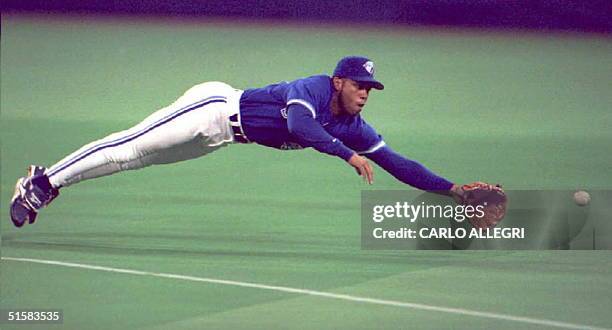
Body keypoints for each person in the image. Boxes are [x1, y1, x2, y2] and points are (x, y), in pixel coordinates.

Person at [10, 55, 465, 228]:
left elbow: (396, 161)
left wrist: (452, 191)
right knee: (132, 145)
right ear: (339, 81)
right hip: (212, 107)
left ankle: (50, 184)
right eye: (360, 85)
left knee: (136, 161)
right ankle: (43, 182)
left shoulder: (354, 126)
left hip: (222, 137)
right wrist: (344, 155)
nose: (366, 93)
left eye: (372, 89)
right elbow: (303, 129)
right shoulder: (313, 90)